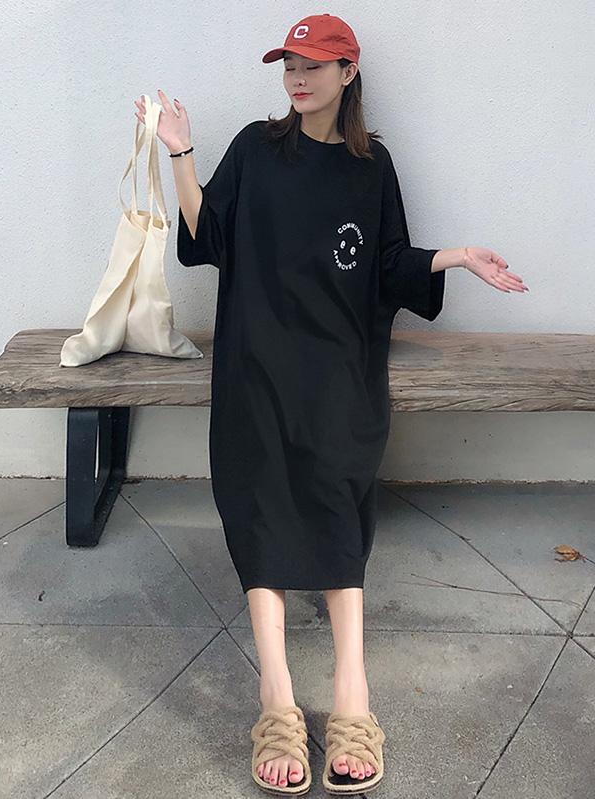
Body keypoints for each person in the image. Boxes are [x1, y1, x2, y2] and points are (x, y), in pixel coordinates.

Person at [134, 13, 528, 796]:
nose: (297, 77)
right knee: (258, 508)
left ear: (349, 72)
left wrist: (457, 256)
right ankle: (277, 697)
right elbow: (207, 236)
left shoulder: (371, 167)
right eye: (289, 63)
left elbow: (388, 262)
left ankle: (353, 693)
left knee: (338, 507)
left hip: (340, 370)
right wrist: (180, 150)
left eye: (314, 64)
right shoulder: (256, 147)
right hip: (255, 366)